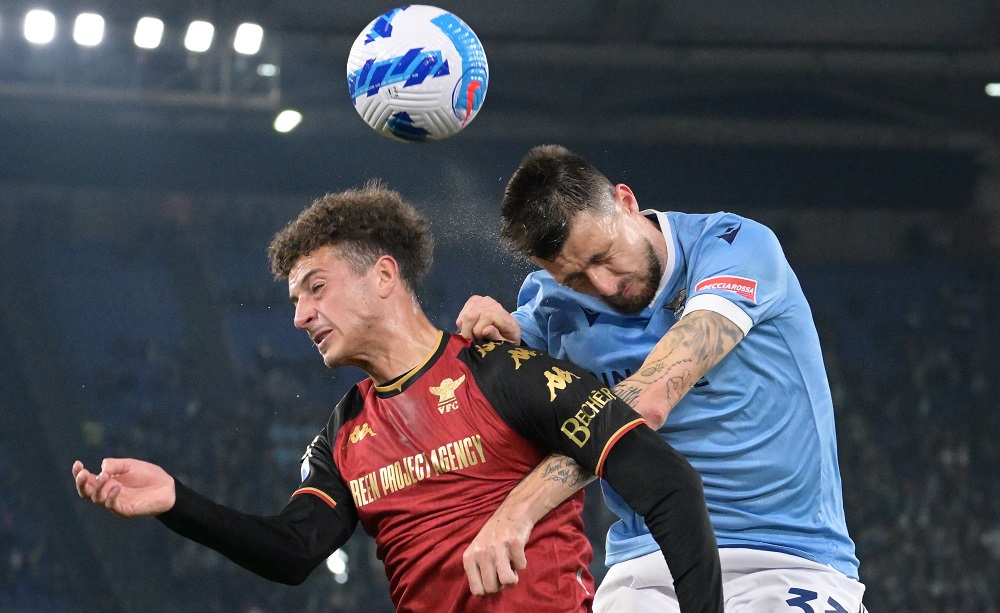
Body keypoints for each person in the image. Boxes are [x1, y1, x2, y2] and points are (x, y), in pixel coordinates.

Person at [72, 182, 723, 613]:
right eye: (295, 298)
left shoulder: (502, 371)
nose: (300, 315)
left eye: (315, 287)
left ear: (384, 274)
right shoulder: (345, 430)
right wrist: (177, 502)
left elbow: (667, 483)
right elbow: (293, 549)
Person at [456, 145, 867, 612]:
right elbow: (483, 395)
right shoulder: (553, 305)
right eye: (577, 279)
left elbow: (650, 397)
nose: (605, 287)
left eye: (604, 256)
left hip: (785, 559)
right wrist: (491, 338)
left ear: (626, 202)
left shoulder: (734, 248)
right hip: (645, 571)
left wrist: (519, 510)